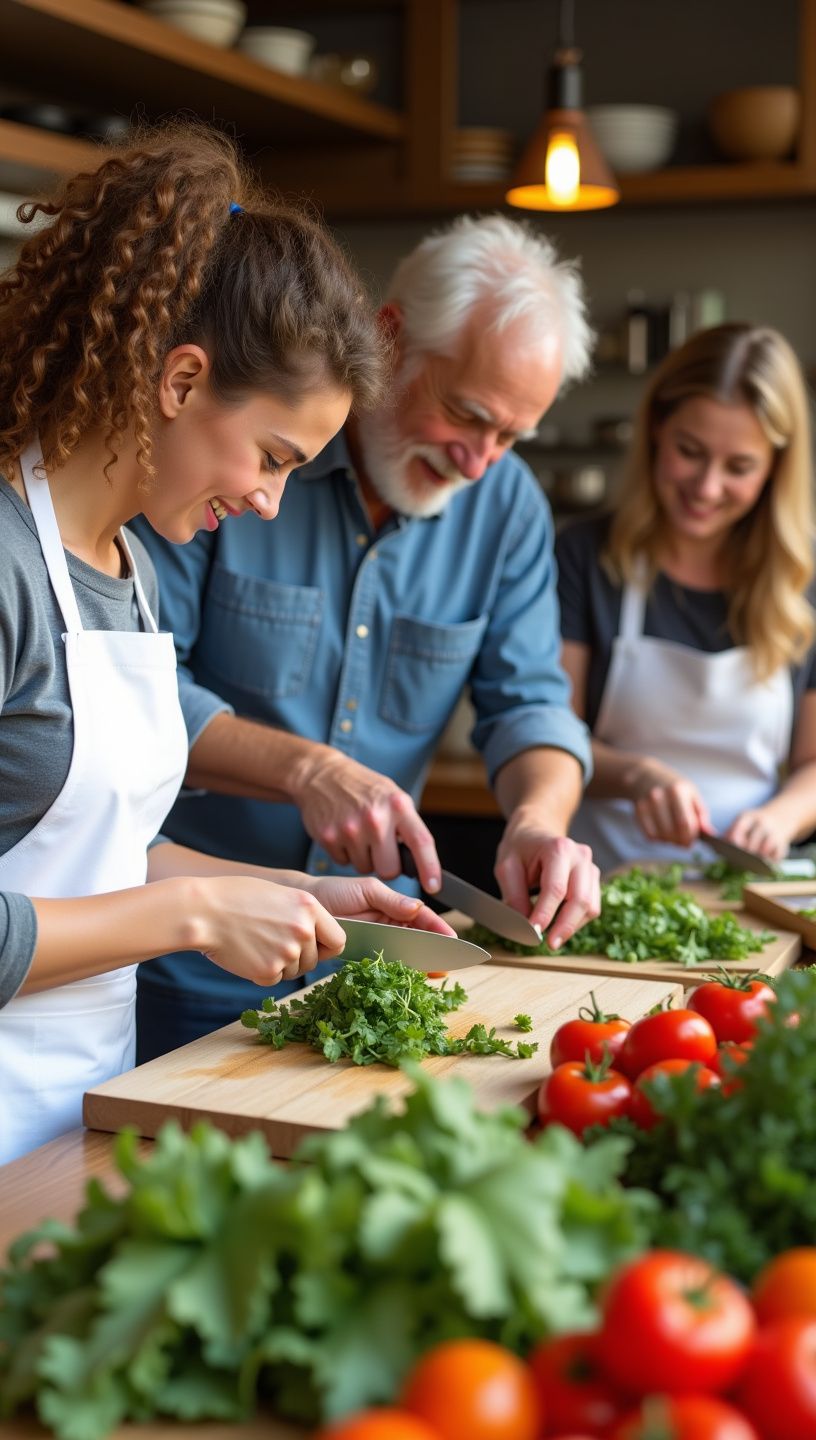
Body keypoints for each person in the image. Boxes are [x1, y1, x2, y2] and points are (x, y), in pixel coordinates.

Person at [0, 123, 453, 1165]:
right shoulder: (9, 567)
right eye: (273, 456)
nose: (266, 499)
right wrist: (199, 916)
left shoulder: (134, 570)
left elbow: (92, 856)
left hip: (76, 1122)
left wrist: (294, 896)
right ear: (180, 379)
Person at [132, 213, 602, 1062]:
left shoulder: (506, 508)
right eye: (467, 414)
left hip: (366, 958)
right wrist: (307, 771)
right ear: (390, 337)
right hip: (181, 951)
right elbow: (140, 692)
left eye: (511, 437)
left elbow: (531, 702)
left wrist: (538, 818)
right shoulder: (233, 465)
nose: (480, 462)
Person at [557, 322, 816, 873]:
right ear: (655, 431)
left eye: (739, 467)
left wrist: (781, 818)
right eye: (690, 451)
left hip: (747, 888)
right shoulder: (583, 556)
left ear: (775, 468)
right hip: (602, 881)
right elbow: (551, 731)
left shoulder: (805, 578)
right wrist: (637, 776)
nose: (706, 487)